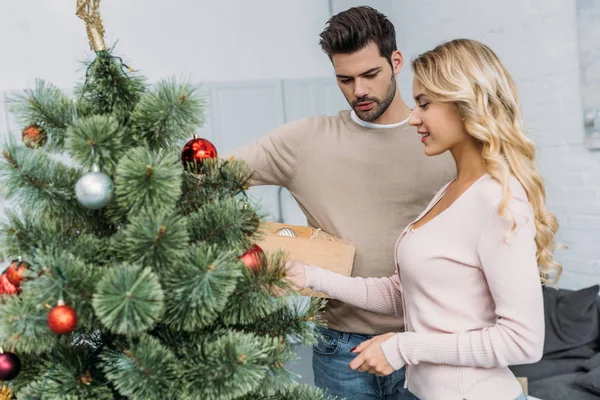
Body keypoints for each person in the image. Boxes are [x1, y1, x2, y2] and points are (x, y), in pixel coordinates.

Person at [285, 38, 562, 400]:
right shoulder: (449, 191)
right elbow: (404, 294)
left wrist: (404, 347)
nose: (414, 117)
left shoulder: (499, 202)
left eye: (425, 104)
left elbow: (522, 343)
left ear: (466, 105)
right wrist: (312, 277)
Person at [224, 6, 455, 400]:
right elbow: (211, 174)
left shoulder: (439, 138)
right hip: (340, 349)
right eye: (344, 79)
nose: (358, 91)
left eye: (370, 75)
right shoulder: (304, 142)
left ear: (395, 62)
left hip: (426, 343)